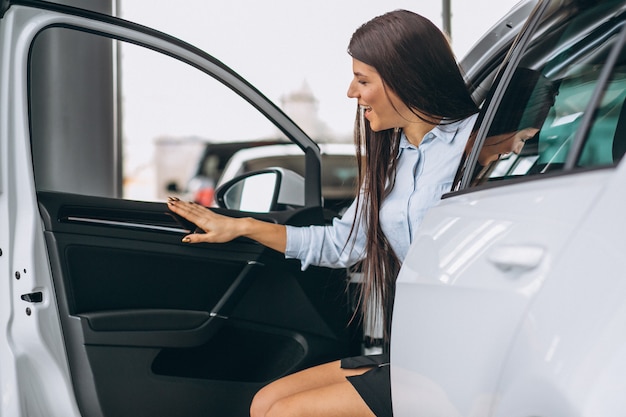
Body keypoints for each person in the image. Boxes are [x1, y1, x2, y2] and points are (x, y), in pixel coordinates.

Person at [167, 9, 479, 417]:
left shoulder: (476, 143)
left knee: (286, 414)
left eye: (363, 80)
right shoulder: (390, 162)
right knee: (265, 402)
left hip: (463, 357)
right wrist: (240, 225)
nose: (352, 92)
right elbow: (341, 242)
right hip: (417, 349)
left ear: (407, 78)